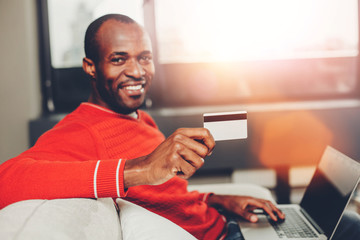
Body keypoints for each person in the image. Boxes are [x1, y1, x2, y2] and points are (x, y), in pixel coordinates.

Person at [0, 14, 358, 240]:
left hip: (226, 223)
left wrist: (217, 200)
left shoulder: (137, 117)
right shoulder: (82, 130)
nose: (137, 72)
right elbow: (7, 180)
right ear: (90, 67)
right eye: (118, 59)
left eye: (144, 58)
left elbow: (166, 196)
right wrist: (139, 169)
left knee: (348, 222)